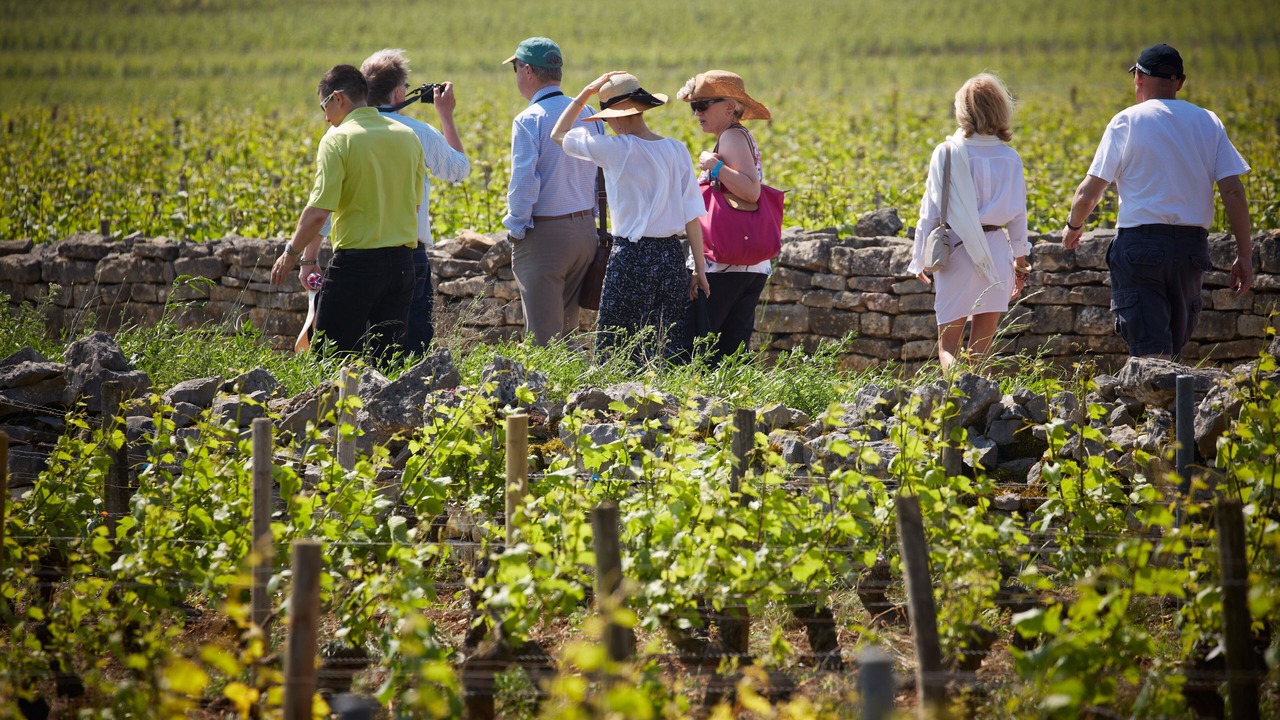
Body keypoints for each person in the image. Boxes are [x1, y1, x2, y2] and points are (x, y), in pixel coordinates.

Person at [1063, 44, 1252, 359]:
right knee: (1172, 352)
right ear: (1180, 82)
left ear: (1138, 77)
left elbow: (1089, 192)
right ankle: (1173, 408)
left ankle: (1156, 407)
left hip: (1139, 247)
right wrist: (1244, 256)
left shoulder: (1127, 121)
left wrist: (1073, 226)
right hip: (1192, 248)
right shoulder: (1209, 122)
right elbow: (1233, 191)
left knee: (1151, 355)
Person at [308, 49, 469, 356]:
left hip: (353, 256)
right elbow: (458, 170)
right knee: (402, 355)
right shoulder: (417, 132)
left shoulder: (340, 134)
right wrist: (446, 115)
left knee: (340, 353)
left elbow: (326, 204)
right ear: (398, 92)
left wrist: (308, 255)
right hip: (407, 256)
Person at [551, 72, 710, 364]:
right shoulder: (676, 149)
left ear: (619, 116)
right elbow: (692, 214)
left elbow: (558, 135)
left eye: (608, 117)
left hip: (631, 257)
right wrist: (699, 268)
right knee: (665, 346)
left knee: (617, 348)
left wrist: (584, 94)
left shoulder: (616, 149)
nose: (608, 124)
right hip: (672, 258)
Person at [270, 64, 425, 364]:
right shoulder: (408, 137)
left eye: (323, 106)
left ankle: (336, 413)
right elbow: (414, 206)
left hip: (357, 266)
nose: (325, 117)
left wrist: (291, 253)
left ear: (338, 99)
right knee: (388, 365)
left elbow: (318, 212)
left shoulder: (337, 139)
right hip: (403, 266)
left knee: (332, 363)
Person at [908, 73, 1030, 369]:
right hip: (997, 253)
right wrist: (1021, 264)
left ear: (963, 109)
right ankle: (979, 409)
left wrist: (919, 258)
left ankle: (956, 405)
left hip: (957, 251)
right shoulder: (1010, 157)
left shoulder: (946, 152)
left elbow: (930, 212)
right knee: (980, 353)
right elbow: (1018, 218)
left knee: (948, 347)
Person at [503, 37, 603, 345]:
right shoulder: (590, 116)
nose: (517, 76)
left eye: (516, 69)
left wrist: (517, 227)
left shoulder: (529, 120)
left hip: (546, 235)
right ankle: (572, 391)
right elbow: (600, 175)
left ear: (529, 71)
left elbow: (524, 182)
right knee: (567, 332)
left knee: (542, 340)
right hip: (585, 231)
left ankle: (547, 393)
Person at [676, 70, 773, 364]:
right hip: (747, 265)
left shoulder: (731, 136)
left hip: (725, 266)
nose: (697, 113)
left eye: (703, 105)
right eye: (694, 106)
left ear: (730, 107)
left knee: (695, 351)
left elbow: (751, 190)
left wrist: (713, 167)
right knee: (731, 356)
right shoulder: (738, 136)